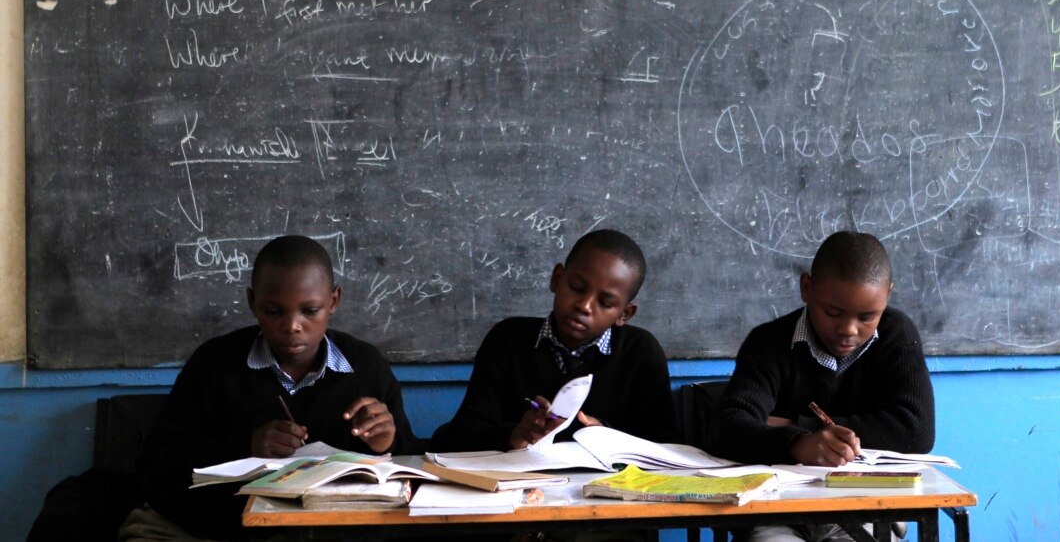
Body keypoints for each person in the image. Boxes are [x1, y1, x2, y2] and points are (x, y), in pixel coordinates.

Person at [127, 235, 421, 540]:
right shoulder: (214, 364)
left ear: (333, 301)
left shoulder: (366, 366)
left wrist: (387, 444)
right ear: (252, 302)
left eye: (309, 311)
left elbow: (414, 476)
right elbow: (155, 467)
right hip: (215, 531)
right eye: (273, 311)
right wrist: (246, 445)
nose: (292, 325)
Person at [715, 231, 934, 542]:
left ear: (887, 295)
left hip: (865, 508)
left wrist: (797, 425)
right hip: (777, 510)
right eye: (833, 313)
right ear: (807, 288)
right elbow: (729, 427)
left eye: (867, 317)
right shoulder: (768, 343)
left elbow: (917, 431)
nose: (848, 330)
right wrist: (798, 444)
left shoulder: (896, 335)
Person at [431, 229, 677, 452]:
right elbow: (462, 434)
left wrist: (608, 437)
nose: (584, 306)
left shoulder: (641, 353)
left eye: (605, 303)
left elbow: (666, 447)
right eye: (577, 287)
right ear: (557, 279)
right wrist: (513, 435)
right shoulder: (508, 340)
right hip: (520, 490)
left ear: (624, 314)